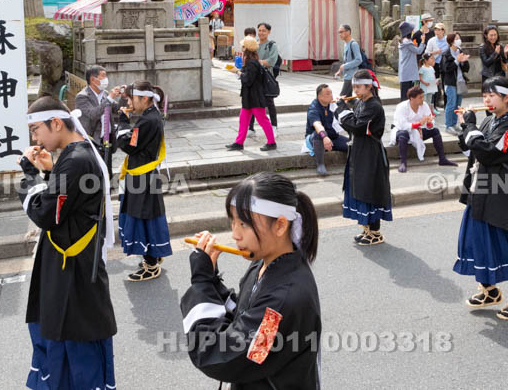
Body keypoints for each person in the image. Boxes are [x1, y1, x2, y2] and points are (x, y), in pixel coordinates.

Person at [181, 173, 321, 389]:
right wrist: (211, 279)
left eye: (244, 224)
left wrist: (202, 283)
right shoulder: (263, 264)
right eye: (233, 221)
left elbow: (218, 353)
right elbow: (244, 314)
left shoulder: (282, 303)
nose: (235, 234)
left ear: (280, 225)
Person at [19, 96, 116, 390]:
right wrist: (50, 172)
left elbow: (46, 213)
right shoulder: (83, 153)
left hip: (70, 271)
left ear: (57, 123)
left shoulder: (74, 161)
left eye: (36, 130)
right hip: (77, 262)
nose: (34, 138)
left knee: (70, 343)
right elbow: (68, 202)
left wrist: (29, 176)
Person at [454, 77, 508, 319]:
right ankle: (489, 290)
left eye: (491, 95)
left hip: (504, 196)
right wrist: (466, 126)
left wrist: (471, 129)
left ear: (506, 98)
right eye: (484, 95)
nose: (486, 100)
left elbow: (490, 153)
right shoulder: (488, 121)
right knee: (479, 242)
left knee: (505, 245)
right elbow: (469, 147)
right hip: (481, 191)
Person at [115, 81, 172, 281]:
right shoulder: (151, 116)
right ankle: (153, 256)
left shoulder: (148, 120)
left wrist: (122, 122)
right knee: (147, 216)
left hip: (142, 178)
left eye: (132, 98)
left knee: (143, 217)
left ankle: (151, 265)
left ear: (145, 98)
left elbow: (129, 145)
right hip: (144, 175)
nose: (130, 102)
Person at [335, 69, 391, 245]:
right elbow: (352, 126)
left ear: (369, 86)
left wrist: (342, 110)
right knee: (359, 187)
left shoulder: (374, 106)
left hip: (371, 153)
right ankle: (366, 229)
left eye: (359, 87)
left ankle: (375, 232)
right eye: (354, 87)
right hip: (359, 150)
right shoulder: (360, 103)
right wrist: (344, 110)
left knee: (369, 189)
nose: (356, 90)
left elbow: (358, 127)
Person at [387, 85, 455, 173]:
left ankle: (442, 159)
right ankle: (403, 162)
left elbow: (429, 124)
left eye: (423, 96)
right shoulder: (401, 107)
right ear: (412, 98)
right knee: (403, 134)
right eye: (420, 97)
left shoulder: (424, 105)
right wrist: (419, 124)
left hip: (418, 131)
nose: (423, 99)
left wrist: (429, 123)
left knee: (435, 131)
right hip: (400, 131)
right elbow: (403, 125)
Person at [226, 37, 277, 152]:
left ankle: (272, 142)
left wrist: (237, 71)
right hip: (250, 96)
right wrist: (239, 71)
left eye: (243, 46)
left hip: (255, 97)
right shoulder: (251, 61)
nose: (241, 48)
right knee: (243, 119)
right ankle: (239, 142)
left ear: (246, 48)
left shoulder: (252, 62)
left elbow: (248, 80)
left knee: (262, 120)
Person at [75, 65, 124, 168]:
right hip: (93, 140)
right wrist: (110, 98)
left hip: (108, 138)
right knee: (96, 171)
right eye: (103, 76)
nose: (106, 79)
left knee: (108, 170)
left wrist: (123, 97)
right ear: (93, 79)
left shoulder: (105, 94)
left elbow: (117, 108)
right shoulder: (82, 96)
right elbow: (93, 114)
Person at [302, 83, 348, 176]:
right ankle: (320, 164)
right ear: (320, 96)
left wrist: (342, 105)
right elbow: (317, 125)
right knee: (319, 134)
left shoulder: (332, 104)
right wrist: (325, 137)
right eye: (327, 93)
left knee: (352, 144)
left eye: (331, 93)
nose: (331, 95)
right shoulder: (314, 107)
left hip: (332, 137)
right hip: (316, 138)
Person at [441, 32, 471, 133]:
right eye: (456, 38)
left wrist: (463, 61)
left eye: (459, 38)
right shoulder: (446, 53)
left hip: (460, 81)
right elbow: (446, 69)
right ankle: (448, 125)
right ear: (451, 41)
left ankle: (454, 124)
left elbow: (466, 68)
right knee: (451, 104)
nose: (459, 40)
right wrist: (457, 61)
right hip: (450, 83)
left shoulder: (460, 51)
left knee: (458, 104)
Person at [257, 23, 280, 129]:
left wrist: (257, 62)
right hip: (255, 77)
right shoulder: (254, 44)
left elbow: (271, 61)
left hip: (267, 77)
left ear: (269, 32)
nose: (261, 33)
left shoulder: (272, 45)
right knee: (253, 101)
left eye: (264, 30)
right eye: (259, 30)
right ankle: (251, 128)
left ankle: (274, 126)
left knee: (270, 102)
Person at [398, 20, 426, 99]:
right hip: (408, 72)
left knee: (405, 94)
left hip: (405, 72)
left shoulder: (404, 41)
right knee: (407, 96)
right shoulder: (408, 43)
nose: (413, 31)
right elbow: (419, 51)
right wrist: (423, 41)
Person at [425, 23, 450, 109]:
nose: (437, 31)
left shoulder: (447, 40)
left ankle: (446, 105)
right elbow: (426, 53)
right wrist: (435, 52)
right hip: (434, 64)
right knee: (433, 84)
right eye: (436, 29)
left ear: (443, 31)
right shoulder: (432, 40)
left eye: (439, 29)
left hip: (445, 64)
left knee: (445, 84)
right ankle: (433, 105)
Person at [335, 24, 363, 98]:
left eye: (341, 32)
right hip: (347, 76)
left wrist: (345, 66)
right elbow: (346, 61)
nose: (340, 34)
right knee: (348, 98)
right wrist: (340, 71)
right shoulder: (345, 44)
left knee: (342, 98)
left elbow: (359, 60)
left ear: (348, 32)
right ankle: (355, 108)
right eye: (339, 32)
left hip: (352, 76)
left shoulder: (353, 44)